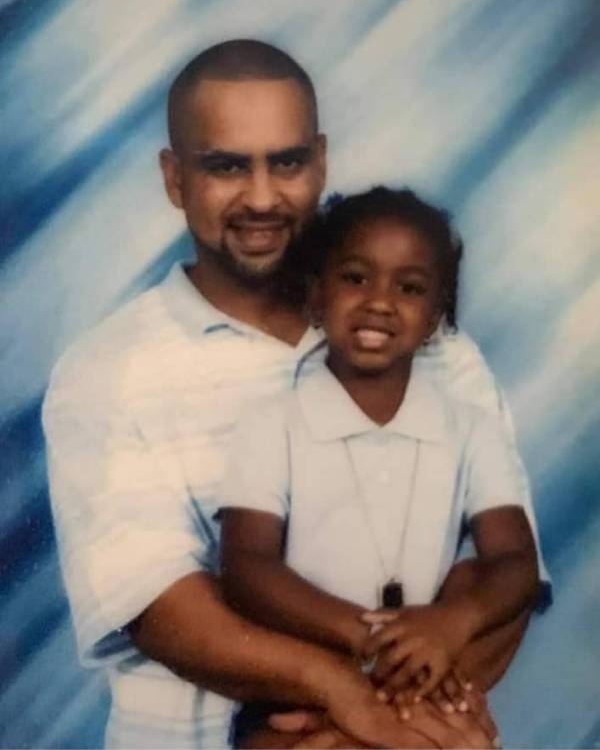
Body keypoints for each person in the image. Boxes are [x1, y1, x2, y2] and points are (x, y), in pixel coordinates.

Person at [42, 39, 546, 749]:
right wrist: (343, 694)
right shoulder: (108, 372)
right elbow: (166, 610)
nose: (261, 196)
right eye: (225, 166)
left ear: (321, 161)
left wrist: (366, 729)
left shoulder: (435, 351)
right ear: (174, 177)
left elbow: (502, 584)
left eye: (286, 161)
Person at [219, 187, 540, 742]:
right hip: (294, 690)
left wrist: (450, 624)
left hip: (419, 673)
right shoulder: (271, 423)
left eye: (410, 287)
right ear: (316, 295)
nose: (380, 302)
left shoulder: (470, 428)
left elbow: (515, 563)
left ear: (437, 316)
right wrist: (363, 634)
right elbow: (247, 566)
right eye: (355, 278)